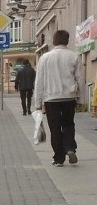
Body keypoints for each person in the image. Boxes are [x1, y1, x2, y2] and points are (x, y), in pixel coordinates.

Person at [33, 29, 81, 167]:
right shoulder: (74, 56)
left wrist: (37, 103)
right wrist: (81, 99)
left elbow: (39, 81)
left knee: (55, 128)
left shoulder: (45, 58)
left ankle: (59, 158)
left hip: (51, 99)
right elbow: (79, 78)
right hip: (69, 97)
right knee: (68, 124)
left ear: (54, 41)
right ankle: (70, 148)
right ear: (67, 40)